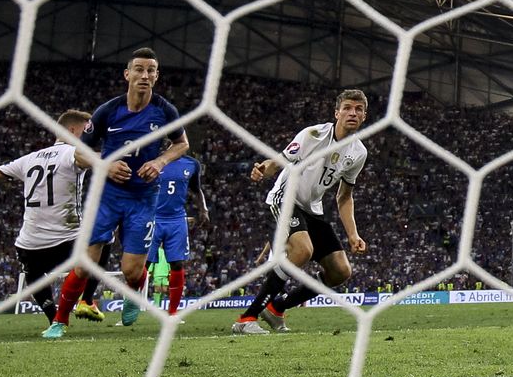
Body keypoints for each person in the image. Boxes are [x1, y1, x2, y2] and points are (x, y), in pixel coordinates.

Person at [45, 48, 189, 338]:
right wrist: (105, 165)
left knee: (132, 271)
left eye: (151, 70)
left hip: (143, 198)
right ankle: (59, 321)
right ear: (127, 74)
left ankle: (133, 296)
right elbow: (80, 151)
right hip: (106, 195)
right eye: (139, 69)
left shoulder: (165, 111)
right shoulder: (108, 111)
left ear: (157, 76)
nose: (145, 75)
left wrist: (160, 161)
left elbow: (182, 144)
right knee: (85, 264)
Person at [233, 89, 370, 335]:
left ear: (364, 116)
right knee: (303, 250)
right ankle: (247, 318)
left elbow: (344, 197)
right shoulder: (313, 135)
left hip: (312, 209)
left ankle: (276, 309)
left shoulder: (358, 153)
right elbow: (279, 160)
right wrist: (264, 169)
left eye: (358, 109)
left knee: (341, 271)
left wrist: (353, 234)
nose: (352, 112)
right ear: (336, 112)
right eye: (347, 107)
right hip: (284, 199)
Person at [0, 110, 94, 323]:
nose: (88, 136)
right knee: (102, 243)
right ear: (71, 131)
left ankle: (53, 318)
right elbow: (100, 160)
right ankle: (85, 302)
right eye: (85, 131)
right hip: (67, 240)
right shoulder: (74, 154)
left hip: (29, 243)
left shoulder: (28, 159)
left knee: (34, 275)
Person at [149, 153, 207, 315]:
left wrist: (204, 209)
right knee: (143, 264)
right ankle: (130, 305)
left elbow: (197, 190)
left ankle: (172, 312)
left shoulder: (192, 164)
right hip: (154, 218)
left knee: (177, 264)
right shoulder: (154, 159)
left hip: (177, 220)